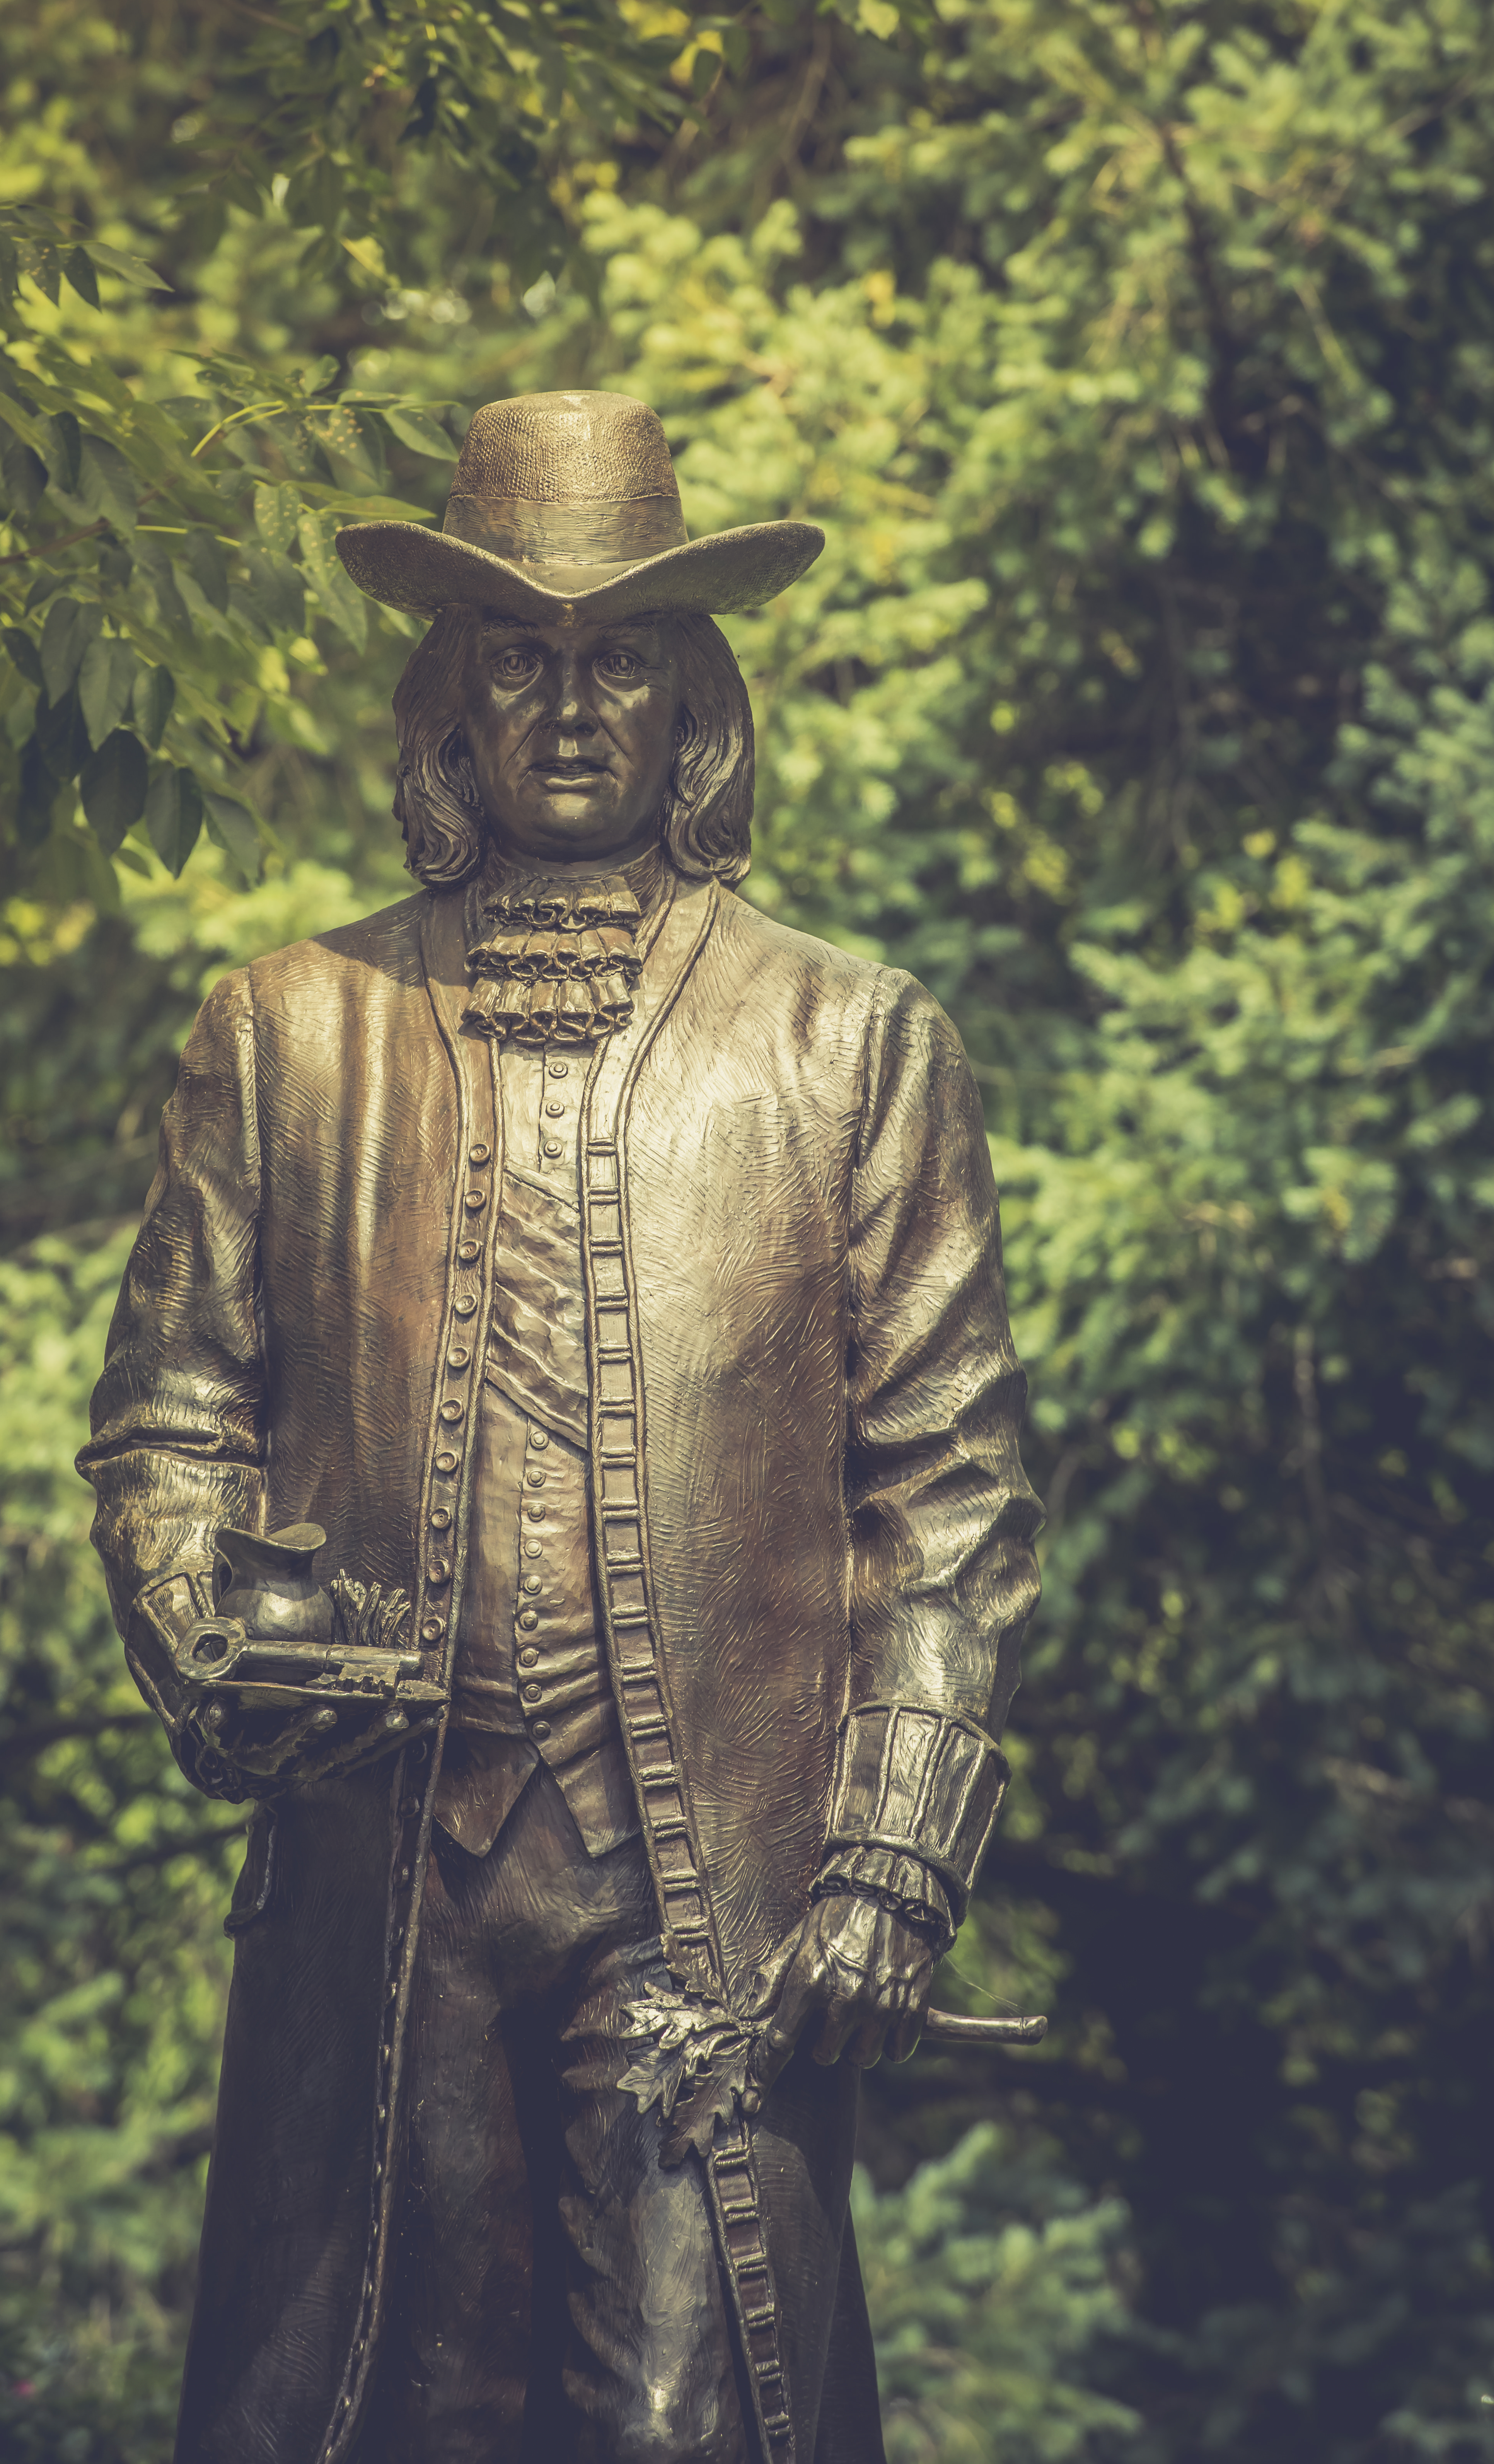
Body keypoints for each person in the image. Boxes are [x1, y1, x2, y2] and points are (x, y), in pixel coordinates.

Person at [77, 390, 1042, 2464]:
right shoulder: (288, 1031)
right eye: (524, 654)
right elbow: (162, 1426)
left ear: (694, 691)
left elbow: (952, 1493)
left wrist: (892, 1856)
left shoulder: (851, 1042)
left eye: (623, 655)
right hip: (384, 1864)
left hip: (715, 1893)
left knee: (698, 2420)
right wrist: (198, 1612)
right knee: (389, 2409)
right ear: (457, 691)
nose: (575, 705)